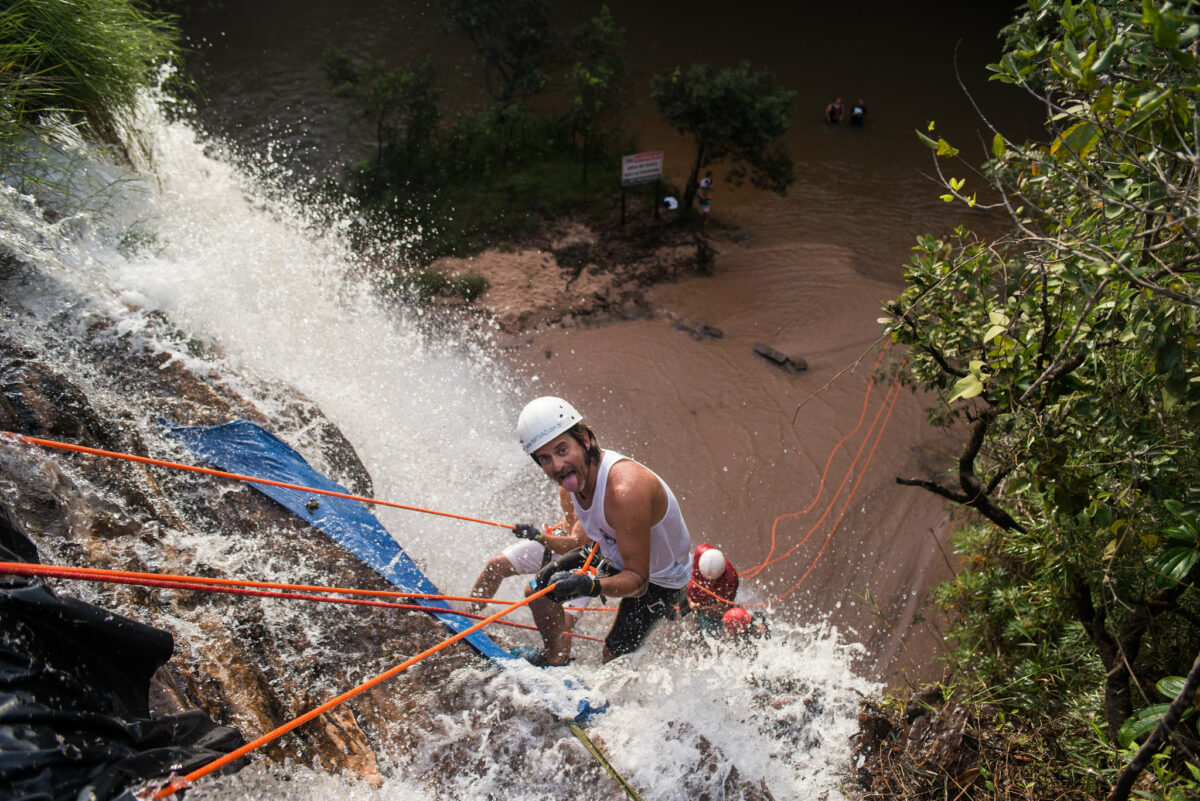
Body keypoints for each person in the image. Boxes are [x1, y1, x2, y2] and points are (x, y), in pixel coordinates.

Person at [515, 396, 693, 666]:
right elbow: (590, 533)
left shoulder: (625, 493)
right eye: (545, 458)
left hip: (660, 578)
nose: (557, 466)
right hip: (609, 547)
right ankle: (555, 658)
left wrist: (592, 585)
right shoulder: (570, 480)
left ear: (585, 439)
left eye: (562, 450)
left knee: (613, 654)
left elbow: (638, 581)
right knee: (538, 594)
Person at [469, 487, 594, 641]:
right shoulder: (564, 477)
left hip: (585, 558)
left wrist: (539, 536)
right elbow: (571, 520)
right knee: (497, 565)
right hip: (558, 542)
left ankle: (559, 660)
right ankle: (470, 614)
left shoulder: (595, 487)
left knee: (566, 623)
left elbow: (575, 543)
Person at [687, 544, 739, 638]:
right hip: (698, 597)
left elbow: (723, 607)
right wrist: (691, 602)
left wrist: (704, 608)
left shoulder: (730, 580)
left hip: (710, 605)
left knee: (711, 633)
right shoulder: (701, 551)